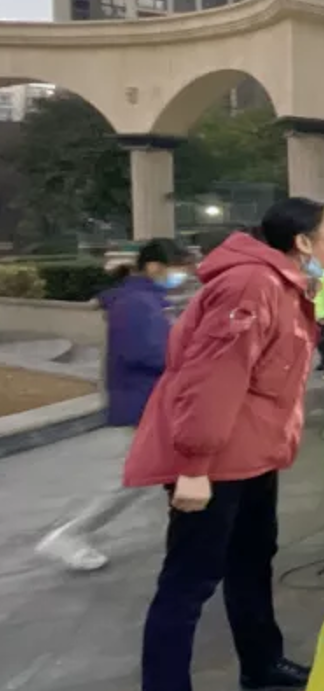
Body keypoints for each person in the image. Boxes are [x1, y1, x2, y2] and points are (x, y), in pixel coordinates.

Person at [127, 198, 324, 691]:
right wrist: (194, 468)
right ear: (302, 241)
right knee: (189, 579)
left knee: (252, 558)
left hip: (252, 453)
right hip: (216, 458)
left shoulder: (284, 283)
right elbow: (212, 379)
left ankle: (261, 660)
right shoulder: (250, 285)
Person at [36, 241, 186, 572]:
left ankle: (197, 535)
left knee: (172, 471)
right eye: (177, 266)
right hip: (145, 400)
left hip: (152, 398)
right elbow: (148, 353)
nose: (182, 275)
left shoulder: (146, 299)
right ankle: (70, 534)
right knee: (139, 476)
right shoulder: (135, 303)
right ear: (154, 267)